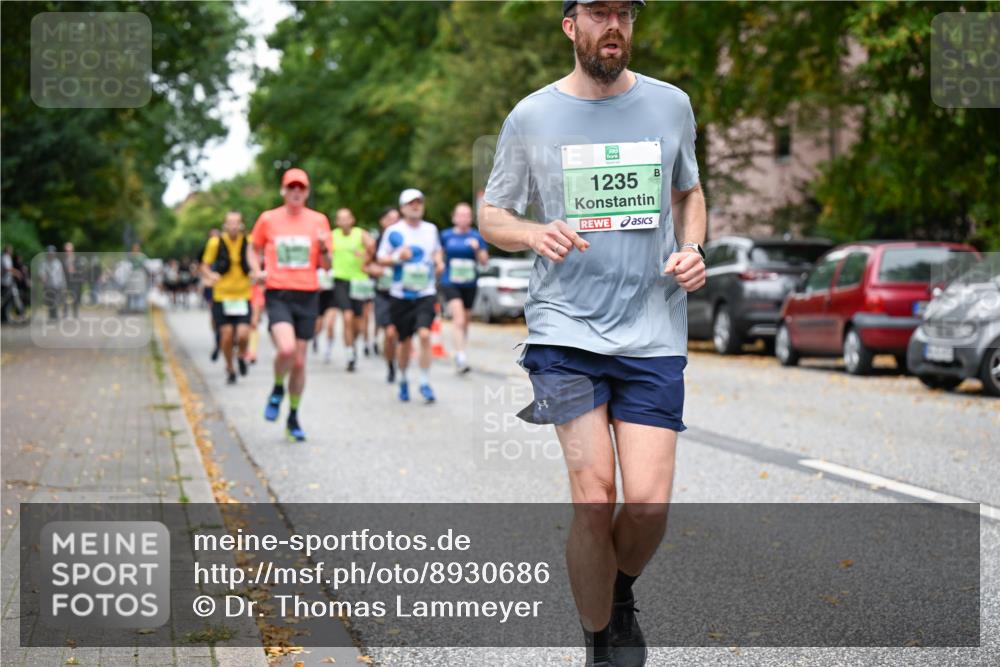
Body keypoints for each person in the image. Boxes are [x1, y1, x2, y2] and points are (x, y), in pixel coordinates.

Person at [478, 2, 707, 666]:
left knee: (649, 504)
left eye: (625, 13)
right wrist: (531, 232)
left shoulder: (671, 105)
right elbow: (494, 213)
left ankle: (617, 588)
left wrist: (693, 247)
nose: (614, 25)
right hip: (565, 329)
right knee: (595, 494)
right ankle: (601, 641)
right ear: (570, 26)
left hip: (653, 327)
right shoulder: (532, 115)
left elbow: (688, 191)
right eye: (599, 12)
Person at [248, 167, 332, 442]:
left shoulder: (319, 221)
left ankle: (293, 416)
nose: (296, 192)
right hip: (278, 292)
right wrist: (256, 270)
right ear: (283, 191)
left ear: (307, 192)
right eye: (291, 187)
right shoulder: (268, 219)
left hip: (308, 294)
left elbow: (327, 265)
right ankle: (277, 388)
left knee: (299, 362)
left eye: (301, 188)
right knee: (287, 349)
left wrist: (324, 248)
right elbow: (253, 248)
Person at [376, 189, 444, 403]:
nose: (416, 206)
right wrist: (398, 256)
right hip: (400, 294)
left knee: (424, 334)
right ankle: (404, 379)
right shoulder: (393, 231)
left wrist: (439, 262)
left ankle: (424, 382)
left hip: (425, 292)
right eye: (411, 203)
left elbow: (436, 251)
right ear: (402, 208)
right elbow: (381, 258)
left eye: (419, 203)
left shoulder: (431, 229)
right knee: (404, 341)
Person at [201, 211, 253, 384]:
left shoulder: (248, 241)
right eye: (230, 222)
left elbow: (256, 261)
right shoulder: (215, 243)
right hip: (222, 295)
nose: (233, 226)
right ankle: (230, 368)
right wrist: (211, 275)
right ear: (225, 225)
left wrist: (256, 272)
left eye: (236, 222)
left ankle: (241, 356)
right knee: (227, 335)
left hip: (243, 295)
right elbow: (204, 265)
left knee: (243, 334)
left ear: (241, 224)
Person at [439, 202, 489, 373]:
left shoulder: (476, 236)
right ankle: (460, 356)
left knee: (466, 321)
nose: (463, 218)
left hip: (470, 283)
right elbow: (437, 255)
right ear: (454, 218)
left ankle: (461, 349)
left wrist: (477, 249)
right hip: (450, 282)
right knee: (459, 319)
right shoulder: (446, 235)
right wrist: (438, 264)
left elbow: (484, 261)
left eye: (467, 215)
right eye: (460, 215)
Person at [330, 207, 375, 372]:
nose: (344, 221)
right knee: (347, 317)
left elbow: (372, 246)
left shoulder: (360, 234)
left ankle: (352, 343)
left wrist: (366, 259)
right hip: (341, 279)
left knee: (359, 323)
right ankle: (349, 354)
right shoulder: (333, 235)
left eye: (346, 218)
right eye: (340, 218)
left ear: (352, 220)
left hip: (358, 281)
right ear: (337, 221)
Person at [366, 206, 402, 382]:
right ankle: (391, 365)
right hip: (383, 293)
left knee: (400, 333)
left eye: (397, 218)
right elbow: (365, 266)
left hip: (402, 292)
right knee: (389, 333)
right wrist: (376, 270)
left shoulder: (405, 238)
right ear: (382, 222)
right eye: (390, 219)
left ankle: (400, 362)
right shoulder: (376, 242)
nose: (395, 222)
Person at [40, 245, 67, 322]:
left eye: (52, 253)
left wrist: (64, 285)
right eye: (49, 253)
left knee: (55, 301)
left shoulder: (58, 263)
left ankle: (55, 316)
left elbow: (61, 275)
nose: (51, 255)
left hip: (56, 285)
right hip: (47, 285)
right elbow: (41, 273)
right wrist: (43, 277)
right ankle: (51, 316)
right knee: (49, 301)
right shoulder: (44, 263)